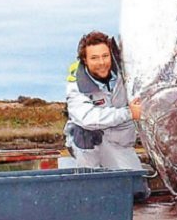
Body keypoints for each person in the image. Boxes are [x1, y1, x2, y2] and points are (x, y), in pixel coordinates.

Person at [64, 30, 149, 200]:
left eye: (105, 56)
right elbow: (87, 118)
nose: (101, 62)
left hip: (119, 143)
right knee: (92, 196)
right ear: (85, 60)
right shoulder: (75, 86)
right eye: (94, 58)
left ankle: (118, 166)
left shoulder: (128, 74)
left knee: (137, 193)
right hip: (90, 142)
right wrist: (129, 113)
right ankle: (87, 172)